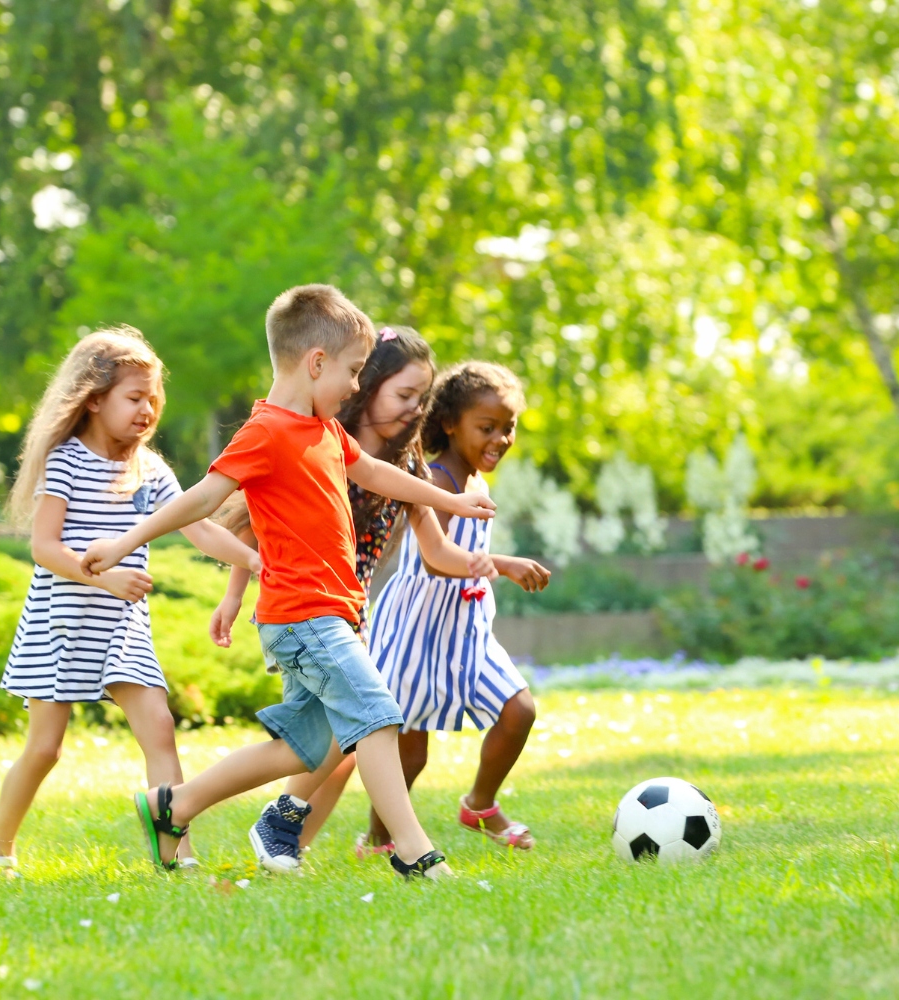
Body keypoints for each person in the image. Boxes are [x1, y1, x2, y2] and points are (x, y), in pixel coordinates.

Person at [80, 285, 497, 879]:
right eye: (353, 371)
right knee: (377, 714)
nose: (356, 386)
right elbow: (201, 498)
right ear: (316, 363)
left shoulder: (324, 430)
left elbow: (376, 472)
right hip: (303, 616)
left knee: (303, 750)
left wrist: (444, 499)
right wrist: (124, 543)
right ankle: (413, 851)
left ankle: (174, 805)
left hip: (332, 612)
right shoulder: (267, 431)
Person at [208, 323, 497, 872]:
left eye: (422, 399)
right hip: (303, 605)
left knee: (330, 742)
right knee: (361, 727)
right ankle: (389, 849)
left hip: (346, 606)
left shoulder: (405, 465)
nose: (416, 409)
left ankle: (255, 826)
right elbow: (254, 524)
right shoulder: (316, 436)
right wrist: (232, 594)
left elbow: (436, 550)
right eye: (404, 395)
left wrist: (489, 559)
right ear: (369, 385)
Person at [0, 327, 259, 871]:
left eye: (154, 398)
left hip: (121, 628)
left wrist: (251, 560)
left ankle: (178, 856)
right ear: (94, 398)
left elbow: (198, 527)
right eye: (134, 397)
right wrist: (104, 578)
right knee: (46, 749)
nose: (147, 409)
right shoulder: (66, 461)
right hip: (60, 622)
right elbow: (44, 548)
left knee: (159, 727)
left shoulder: (148, 469)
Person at [365, 361, 551, 853]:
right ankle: (379, 838)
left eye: (508, 428)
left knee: (519, 710)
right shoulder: (439, 481)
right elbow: (434, 561)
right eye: (486, 428)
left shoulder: (475, 484)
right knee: (410, 752)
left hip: (466, 630)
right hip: (415, 628)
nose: (500, 439)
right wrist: (504, 563)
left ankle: (480, 804)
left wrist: (493, 569)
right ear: (450, 423)